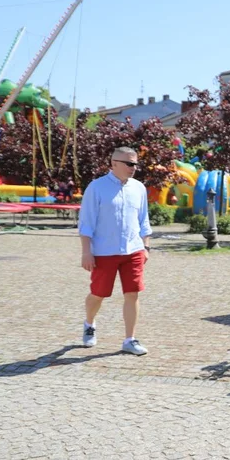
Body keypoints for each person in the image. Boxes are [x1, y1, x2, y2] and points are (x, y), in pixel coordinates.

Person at [78, 147, 152, 355]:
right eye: (129, 164)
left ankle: (130, 339)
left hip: (133, 249)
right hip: (104, 251)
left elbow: (143, 220)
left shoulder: (139, 188)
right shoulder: (96, 187)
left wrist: (145, 247)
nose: (134, 168)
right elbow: (86, 222)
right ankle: (89, 324)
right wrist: (86, 252)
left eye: (136, 164)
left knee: (133, 293)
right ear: (114, 163)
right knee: (98, 294)